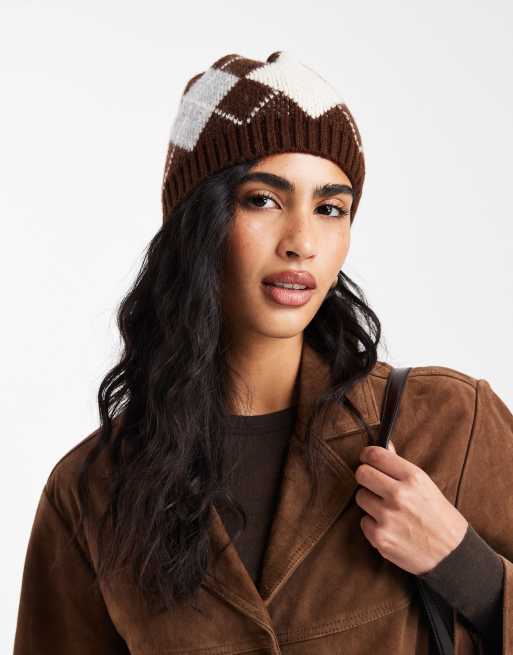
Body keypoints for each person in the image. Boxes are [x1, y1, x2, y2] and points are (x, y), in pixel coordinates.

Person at [13, 50, 513, 655]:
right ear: (198, 222)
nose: (302, 242)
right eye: (263, 200)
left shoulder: (447, 425)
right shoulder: (92, 491)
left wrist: (467, 569)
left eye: (330, 209)